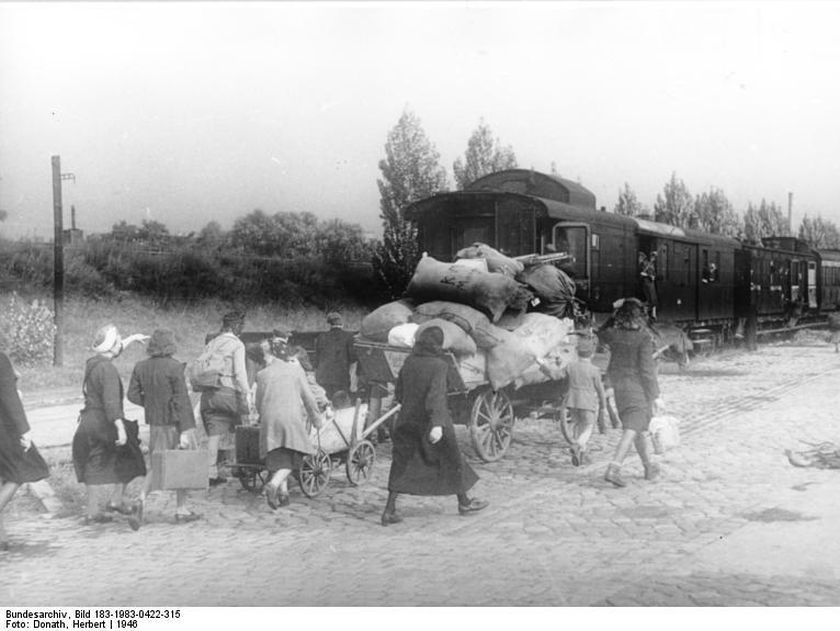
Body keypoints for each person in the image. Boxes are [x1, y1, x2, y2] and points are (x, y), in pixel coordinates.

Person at [382, 326, 488, 526]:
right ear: (438, 345)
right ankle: (464, 503)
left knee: (401, 463)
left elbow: (399, 393)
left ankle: (389, 510)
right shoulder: (439, 365)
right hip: (432, 422)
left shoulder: (409, 362)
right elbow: (436, 396)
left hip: (407, 420)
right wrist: (437, 424)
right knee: (453, 459)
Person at [72, 325, 147, 528]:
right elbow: (111, 401)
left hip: (87, 423)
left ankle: (92, 513)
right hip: (104, 422)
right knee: (130, 456)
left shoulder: (93, 363)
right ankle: (117, 500)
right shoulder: (108, 369)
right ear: (111, 345)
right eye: (118, 340)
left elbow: (111, 350)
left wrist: (131, 339)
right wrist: (120, 428)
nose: (119, 343)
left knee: (93, 465)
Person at [127, 329, 200, 524]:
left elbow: (132, 395)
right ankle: (181, 509)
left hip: (156, 425)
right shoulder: (175, 367)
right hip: (176, 423)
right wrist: (185, 430)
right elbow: (182, 401)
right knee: (182, 463)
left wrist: (150, 404)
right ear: (170, 345)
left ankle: (141, 498)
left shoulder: (140, 367)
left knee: (157, 465)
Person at [597, 300, 663, 487]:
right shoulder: (643, 338)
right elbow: (647, 371)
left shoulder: (614, 334)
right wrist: (656, 395)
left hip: (619, 388)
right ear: (639, 317)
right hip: (636, 389)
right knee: (631, 429)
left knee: (637, 429)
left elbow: (600, 333)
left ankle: (648, 466)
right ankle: (614, 468)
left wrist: (613, 312)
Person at [255, 337, 324, 509]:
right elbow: (308, 398)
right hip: (290, 418)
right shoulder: (295, 371)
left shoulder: (262, 374)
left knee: (279, 456)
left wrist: (262, 415)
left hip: (269, 420)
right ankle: (273, 485)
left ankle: (284, 494)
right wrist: (316, 419)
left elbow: (258, 402)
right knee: (295, 458)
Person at [0, 352, 50, 551]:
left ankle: (1, 538)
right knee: (23, 468)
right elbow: (9, 397)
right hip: (4, 429)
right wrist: (24, 430)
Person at [537, 336, 606, 466]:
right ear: (591, 355)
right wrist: (603, 406)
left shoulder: (571, 366)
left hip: (572, 402)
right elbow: (600, 391)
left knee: (578, 425)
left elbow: (555, 375)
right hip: (587, 403)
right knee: (588, 427)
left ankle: (581, 455)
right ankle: (577, 445)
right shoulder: (594, 370)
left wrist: (542, 365)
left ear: (577, 353)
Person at [200, 311, 251, 487]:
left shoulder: (212, 342)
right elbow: (240, 373)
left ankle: (210, 472)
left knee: (214, 434)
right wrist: (247, 393)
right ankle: (241, 466)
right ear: (235, 327)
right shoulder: (237, 344)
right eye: (241, 326)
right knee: (244, 427)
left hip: (208, 394)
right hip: (228, 393)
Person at [314, 312, 357, 402]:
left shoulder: (321, 336)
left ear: (330, 324)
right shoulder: (348, 336)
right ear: (341, 323)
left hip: (323, 377)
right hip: (341, 377)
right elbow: (353, 358)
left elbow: (317, 359)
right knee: (341, 403)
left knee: (327, 402)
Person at [639, 251, 658, 320]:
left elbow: (653, 277)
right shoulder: (644, 264)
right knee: (648, 298)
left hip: (650, 283)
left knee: (652, 298)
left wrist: (646, 275)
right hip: (645, 283)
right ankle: (649, 315)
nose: (653, 258)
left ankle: (654, 315)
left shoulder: (650, 265)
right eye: (652, 257)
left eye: (654, 257)